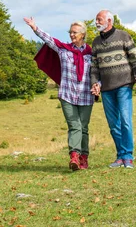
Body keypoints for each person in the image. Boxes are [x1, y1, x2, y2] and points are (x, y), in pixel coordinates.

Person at [24, 16, 94, 171]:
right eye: (70, 32)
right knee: (74, 125)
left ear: (83, 34)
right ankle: (74, 156)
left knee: (83, 127)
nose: (71, 35)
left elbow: (97, 73)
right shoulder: (63, 49)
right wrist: (34, 27)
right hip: (67, 94)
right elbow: (48, 39)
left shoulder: (91, 53)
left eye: (75, 32)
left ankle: (84, 158)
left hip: (86, 95)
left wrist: (98, 85)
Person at [90, 10, 136, 169]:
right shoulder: (96, 42)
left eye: (99, 19)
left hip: (124, 85)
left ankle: (128, 156)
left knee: (126, 121)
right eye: (96, 20)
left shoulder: (123, 36)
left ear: (109, 21)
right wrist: (94, 83)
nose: (96, 22)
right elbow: (94, 67)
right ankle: (120, 156)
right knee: (114, 124)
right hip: (106, 89)